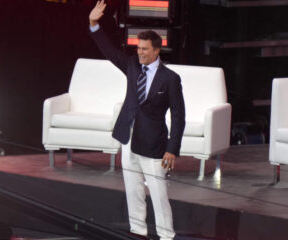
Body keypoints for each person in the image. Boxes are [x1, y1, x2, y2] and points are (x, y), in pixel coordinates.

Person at [88, 1, 185, 240]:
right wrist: (93, 24)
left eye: (144, 49)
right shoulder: (132, 66)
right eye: (138, 48)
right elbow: (109, 51)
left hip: (154, 143)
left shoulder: (170, 78)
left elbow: (178, 116)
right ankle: (138, 232)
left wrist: (172, 149)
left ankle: (166, 235)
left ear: (156, 51)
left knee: (158, 191)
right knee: (132, 189)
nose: (139, 52)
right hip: (128, 137)